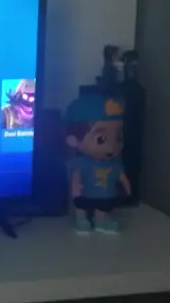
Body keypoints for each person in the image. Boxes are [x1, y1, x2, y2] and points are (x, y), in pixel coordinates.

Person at [65, 95, 131, 235]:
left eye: (118, 138)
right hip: (85, 194)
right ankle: (81, 219)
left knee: (103, 207)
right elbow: (76, 177)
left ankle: (101, 221)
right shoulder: (81, 163)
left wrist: (127, 189)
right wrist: (75, 189)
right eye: (101, 139)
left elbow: (122, 176)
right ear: (73, 140)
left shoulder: (115, 163)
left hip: (105, 196)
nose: (111, 148)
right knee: (81, 205)